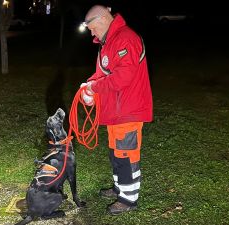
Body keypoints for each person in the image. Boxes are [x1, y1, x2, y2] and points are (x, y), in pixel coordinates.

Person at [80, 5, 153, 215]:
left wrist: (95, 87)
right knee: (116, 153)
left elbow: (123, 77)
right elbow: (103, 74)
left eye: (92, 28)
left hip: (127, 111)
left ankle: (129, 200)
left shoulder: (125, 38)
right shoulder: (109, 42)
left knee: (126, 155)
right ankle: (119, 188)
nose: (92, 33)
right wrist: (89, 86)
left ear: (102, 19)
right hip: (115, 111)